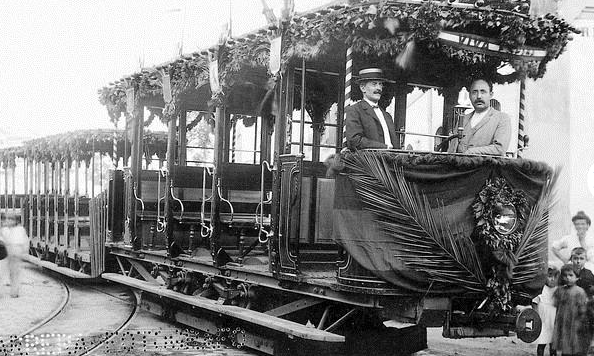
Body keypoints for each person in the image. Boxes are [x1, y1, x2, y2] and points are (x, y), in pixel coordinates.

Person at [447, 78, 511, 156]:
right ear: (469, 95)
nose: (479, 96)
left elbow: (499, 148)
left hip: (487, 167)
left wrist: (471, 152)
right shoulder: (463, 119)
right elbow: (451, 151)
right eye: (474, 92)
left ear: (491, 95)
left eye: (483, 92)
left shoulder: (502, 118)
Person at [344, 68, 399, 151]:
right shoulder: (355, 110)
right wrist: (384, 148)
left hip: (391, 160)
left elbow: (395, 143)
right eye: (374, 84)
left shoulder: (387, 116)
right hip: (370, 161)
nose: (379, 88)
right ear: (363, 88)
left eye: (380, 84)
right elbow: (354, 140)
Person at [552, 264, 590, 356]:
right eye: (565, 275)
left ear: (577, 277)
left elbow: (583, 310)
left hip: (575, 322)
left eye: (570, 275)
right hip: (563, 322)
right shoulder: (560, 291)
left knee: (575, 345)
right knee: (565, 345)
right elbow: (556, 306)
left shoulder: (579, 291)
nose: (567, 278)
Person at [0, 212, 30, 298]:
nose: (8, 221)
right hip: (5, 253)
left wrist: (24, 252)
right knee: (1, 273)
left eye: (11, 219)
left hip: (16, 253)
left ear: (15, 221)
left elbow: (25, 241)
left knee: (15, 273)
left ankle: (14, 292)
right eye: (7, 219)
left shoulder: (20, 229)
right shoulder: (4, 230)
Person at [532, 265, 559, 356]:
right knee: (542, 343)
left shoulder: (557, 290)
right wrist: (537, 318)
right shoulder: (541, 289)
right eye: (550, 276)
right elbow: (534, 303)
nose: (552, 279)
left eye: (555, 277)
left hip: (553, 321)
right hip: (543, 321)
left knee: (553, 345)